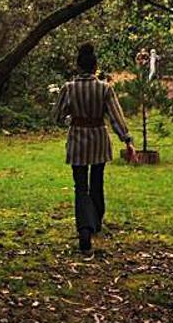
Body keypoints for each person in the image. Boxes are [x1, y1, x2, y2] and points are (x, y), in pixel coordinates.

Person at [53, 42, 135, 254]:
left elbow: (57, 116)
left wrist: (72, 117)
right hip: (99, 138)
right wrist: (127, 140)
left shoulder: (68, 88)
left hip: (78, 139)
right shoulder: (105, 88)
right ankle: (96, 222)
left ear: (78, 67)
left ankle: (84, 229)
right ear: (95, 67)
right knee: (96, 182)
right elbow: (116, 117)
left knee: (81, 186)